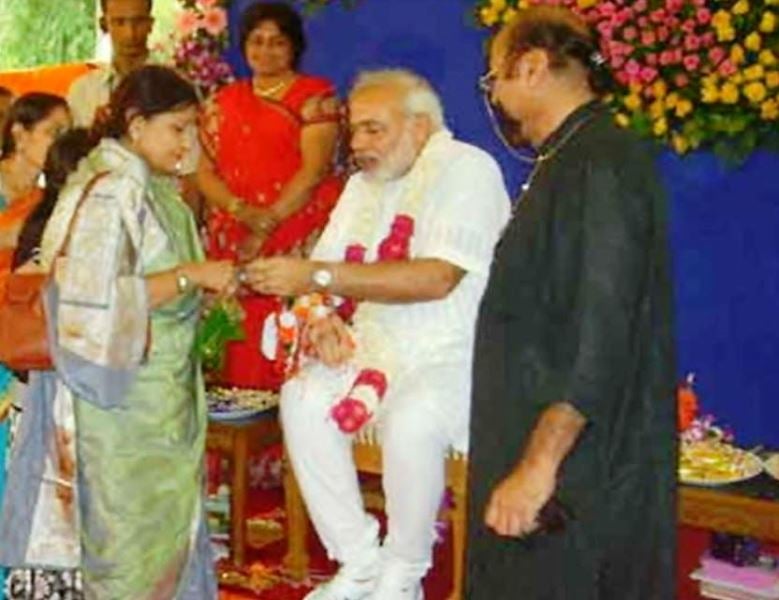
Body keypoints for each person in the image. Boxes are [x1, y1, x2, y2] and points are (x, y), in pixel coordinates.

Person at [245, 69, 510, 600]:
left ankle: (403, 574)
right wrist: (320, 318)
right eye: (353, 131)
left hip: (453, 351)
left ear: (419, 127)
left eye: (373, 130)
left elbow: (437, 278)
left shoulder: (467, 170)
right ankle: (361, 560)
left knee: (411, 423)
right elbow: (324, 271)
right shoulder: (362, 187)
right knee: (302, 396)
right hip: (373, 342)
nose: (358, 145)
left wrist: (318, 280)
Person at [0, 65, 235, 599]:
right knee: (125, 550)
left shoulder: (148, 185)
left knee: (164, 534)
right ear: (136, 124)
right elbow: (90, 303)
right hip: (114, 406)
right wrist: (189, 276)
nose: (189, 143)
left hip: (153, 402)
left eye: (194, 129)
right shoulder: (111, 189)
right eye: (177, 129)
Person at [466, 7, 677, 599]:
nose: (497, 98)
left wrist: (539, 464)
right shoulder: (569, 157)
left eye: (495, 80)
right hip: (543, 447)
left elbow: (603, 329)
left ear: (531, 67)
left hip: (577, 472)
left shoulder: (601, 162)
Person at [197, 0, 343, 390]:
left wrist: (266, 224)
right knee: (234, 341)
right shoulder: (221, 102)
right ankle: (237, 439)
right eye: (257, 41)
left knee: (289, 339)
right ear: (244, 46)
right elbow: (201, 169)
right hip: (234, 237)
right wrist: (240, 211)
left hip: (295, 233)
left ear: (294, 46)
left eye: (277, 42)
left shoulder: (315, 97)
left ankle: (287, 439)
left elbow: (313, 172)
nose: (266, 51)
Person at [3, 129, 93, 600]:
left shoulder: (49, 218)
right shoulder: (55, 227)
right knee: (51, 513)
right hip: (51, 391)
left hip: (53, 386)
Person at [0, 91, 70, 592]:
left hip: (18, 337)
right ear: (19, 134)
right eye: (53, 132)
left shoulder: (50, 199)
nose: (63, 143)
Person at [67, 0, 154, 128]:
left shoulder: (175, 84)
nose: (130, 33)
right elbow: (70, 145)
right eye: (119, 22)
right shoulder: (82, 92)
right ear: (104, 25)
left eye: (138, 21)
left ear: (150, 24)